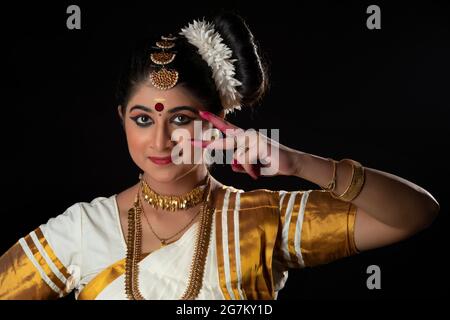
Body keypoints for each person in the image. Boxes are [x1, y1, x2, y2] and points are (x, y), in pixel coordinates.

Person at [0, 12, 439, 300]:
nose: (160, 142)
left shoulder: (260, 219)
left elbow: (414, 213)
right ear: (121, 118)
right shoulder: (83, 228)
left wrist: (299, 164)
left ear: (217, 121)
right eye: (143, 119)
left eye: (181, 119)